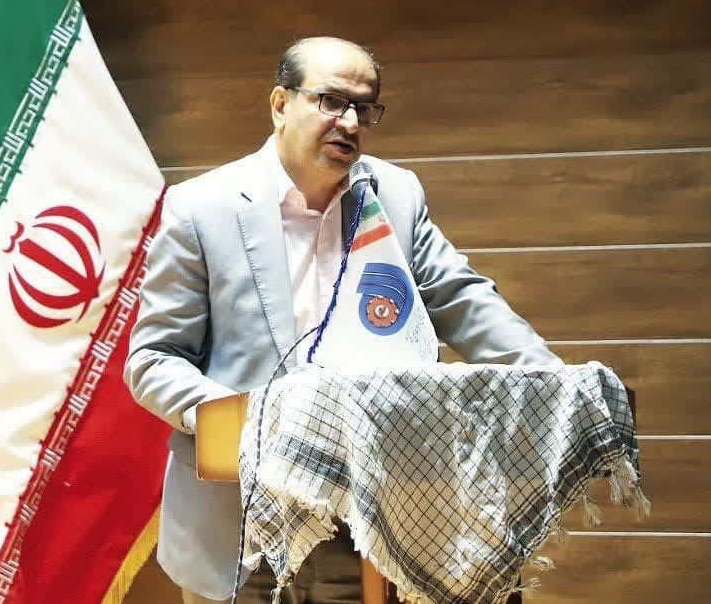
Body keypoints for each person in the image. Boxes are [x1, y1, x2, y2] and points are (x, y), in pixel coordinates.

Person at [124, 36, 562, 603]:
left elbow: (462, 297)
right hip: (242, 518)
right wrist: (249, 422)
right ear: (281, 104)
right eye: (331, 101)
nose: (350, 123)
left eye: (364, 108)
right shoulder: (202, 208)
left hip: (374, 517)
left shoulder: (393, 195)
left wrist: (551, 382)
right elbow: (154, 358)